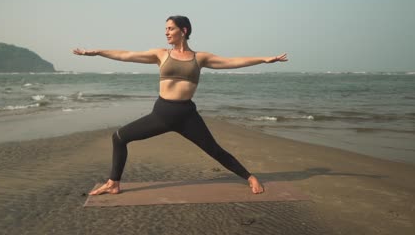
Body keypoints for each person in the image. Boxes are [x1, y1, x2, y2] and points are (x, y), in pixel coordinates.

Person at [73, 15, 288, 195]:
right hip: (161, 114)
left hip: (187, 116)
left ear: (183, 30)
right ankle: (113, 183)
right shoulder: (160, 54)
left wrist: (263, 59)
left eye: (170, 28)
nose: (166, 32)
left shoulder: (200, 58)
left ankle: (250, 177)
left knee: (214, 150)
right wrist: (97, 52)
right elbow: (126, 55)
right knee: (119, 137)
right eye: (165, 29)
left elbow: (232, 61)